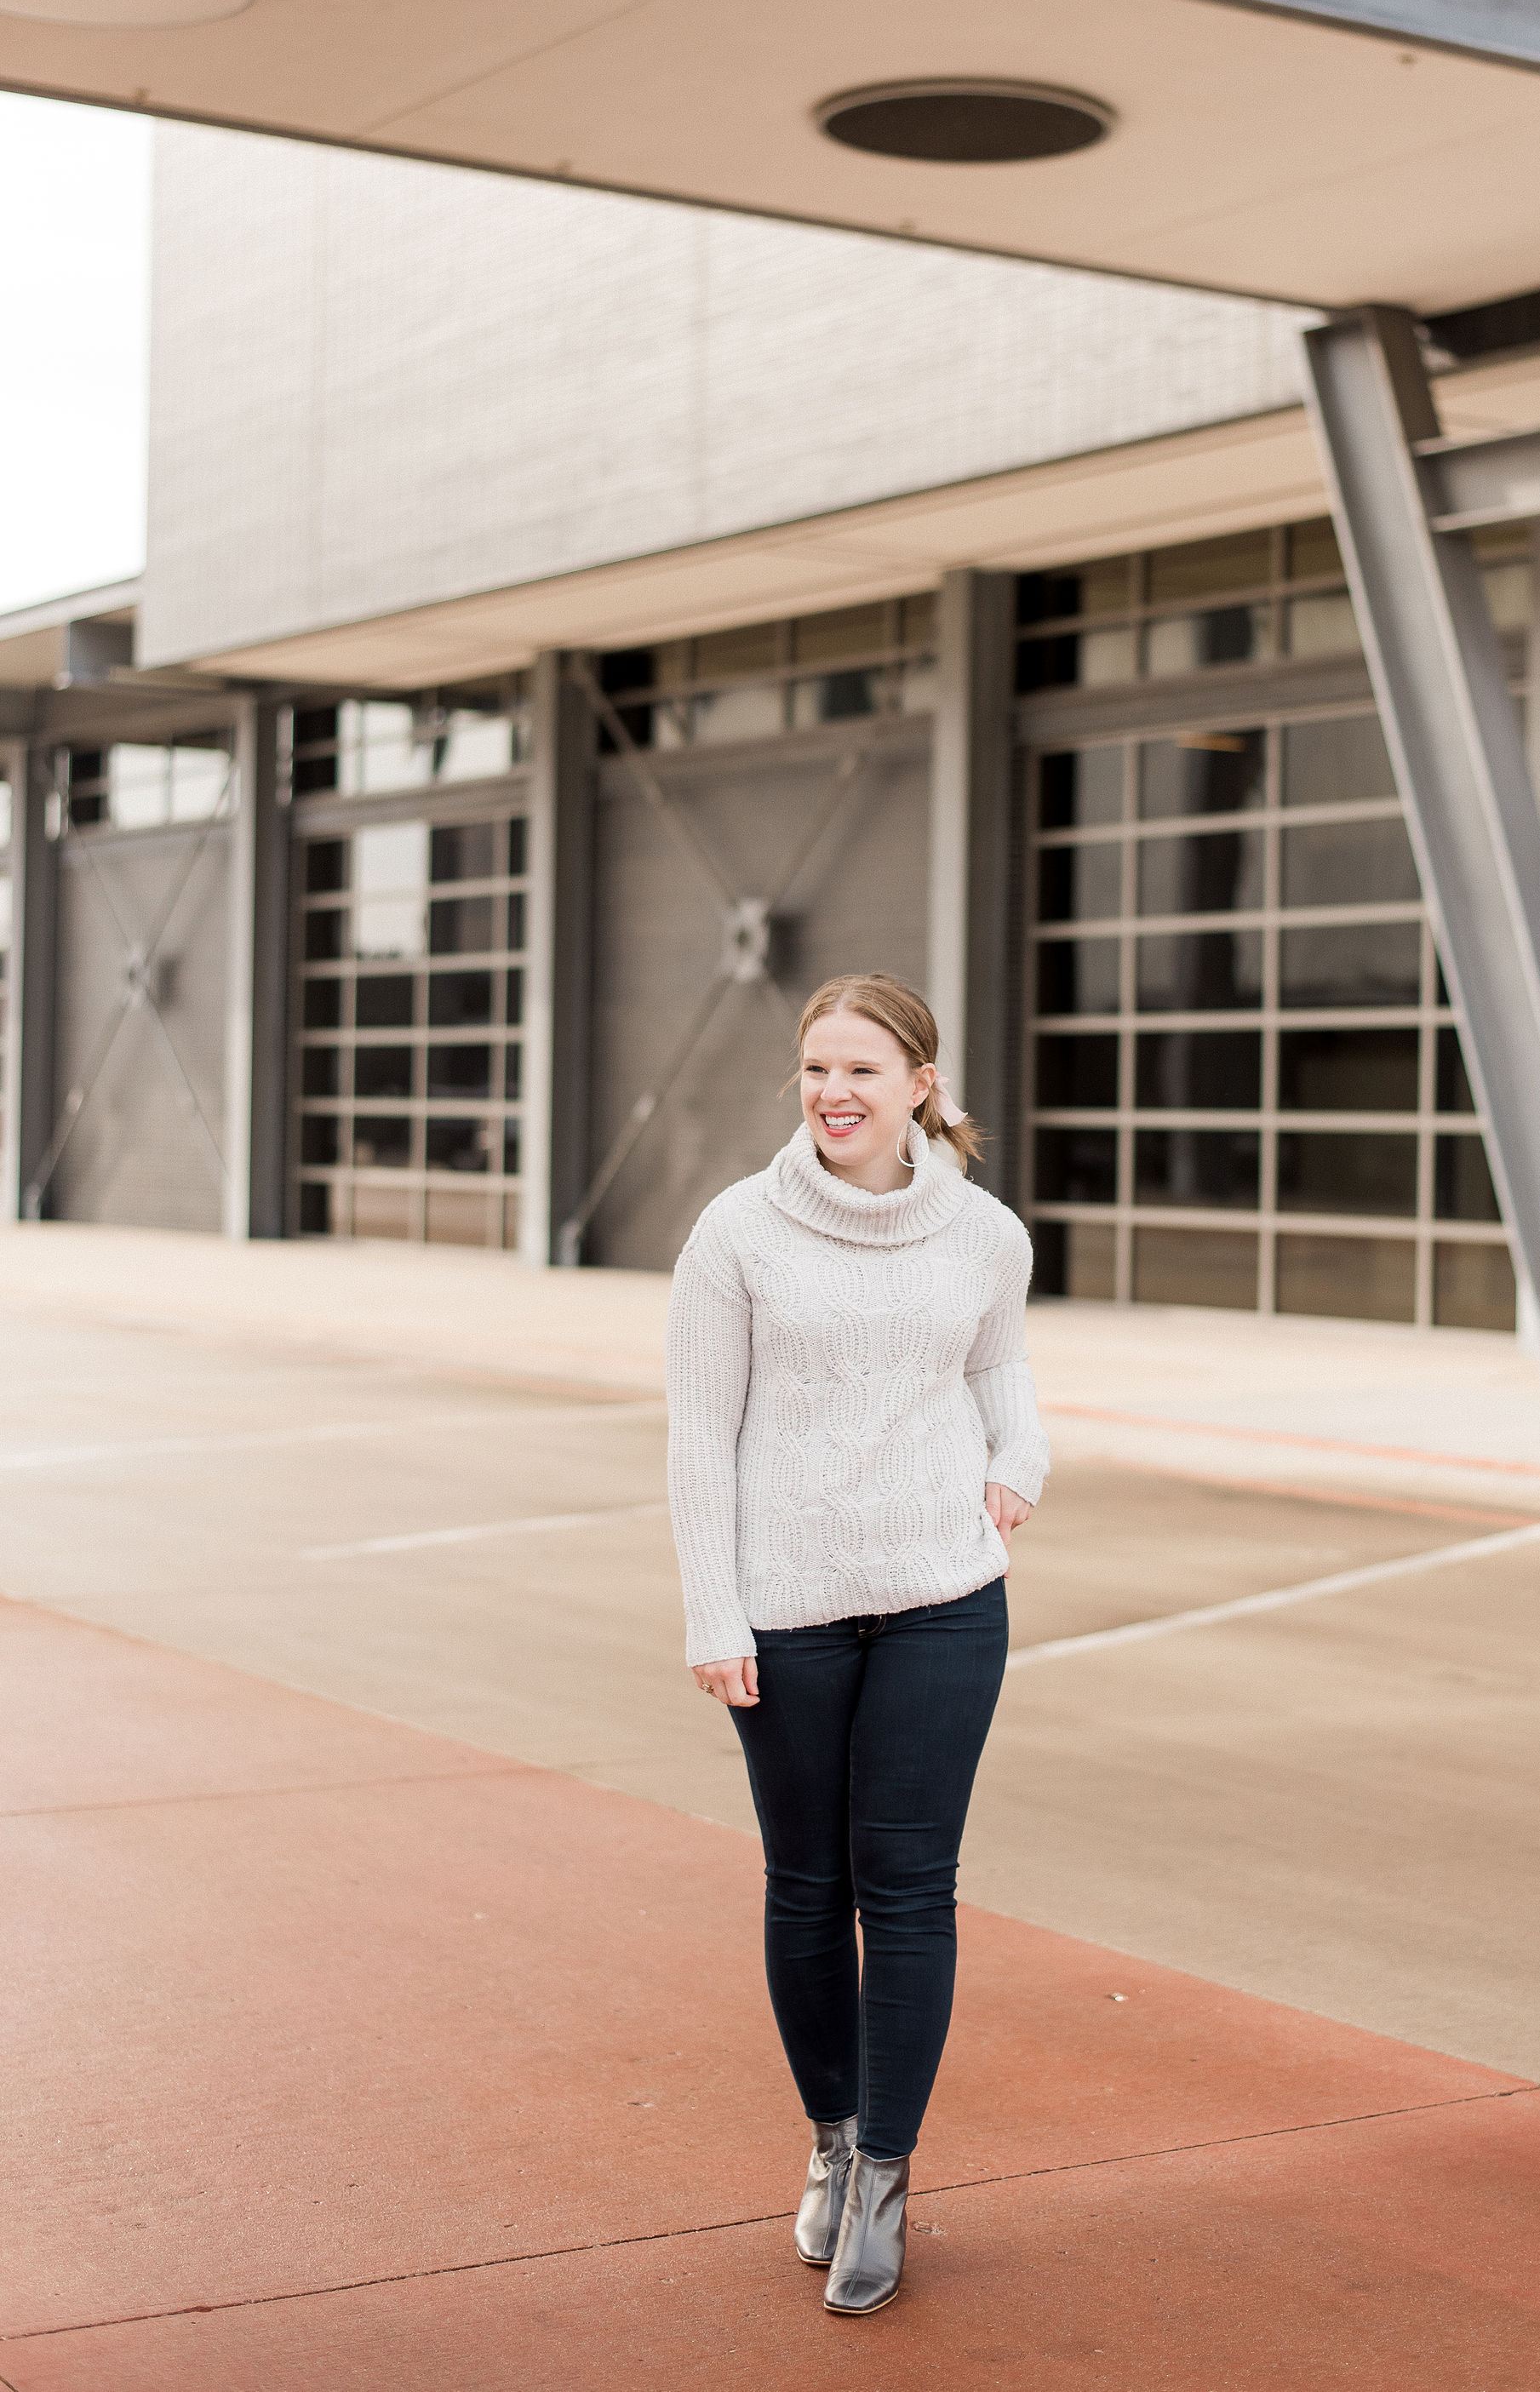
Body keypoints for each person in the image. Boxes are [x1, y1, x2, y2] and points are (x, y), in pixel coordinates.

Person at [666, 970, 1050, 2316]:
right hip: (790, 1606)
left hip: (946, 1597)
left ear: (920, 1088)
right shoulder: (736, 1234)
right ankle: (830, 2138)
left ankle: (886, 2175)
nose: (833, 1092)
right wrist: (715, 1612)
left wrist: (1025, 1457)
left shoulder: (988, 1235)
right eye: (817, 1068)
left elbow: (1000, 1367)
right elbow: (698, 1437)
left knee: (912, 1890)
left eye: (863, 1071)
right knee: (806, 1886)